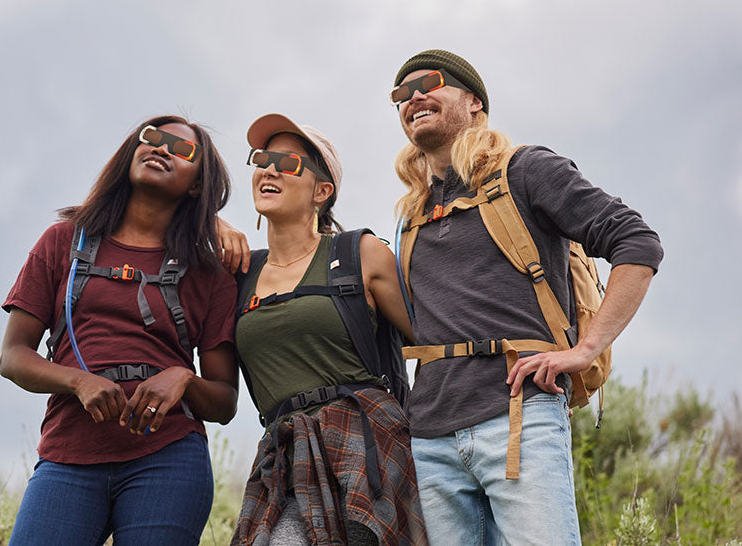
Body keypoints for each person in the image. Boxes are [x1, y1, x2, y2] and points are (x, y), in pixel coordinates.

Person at [390, 49, 663, 543]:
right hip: (430, 439)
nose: (413, 98)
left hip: (519, 416)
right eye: (401, 95)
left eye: (428, 83)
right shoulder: (409, 216)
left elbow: (636, 243)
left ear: (473, 101)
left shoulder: (526, 170)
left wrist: (585, 350)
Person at [0, 115, 239, 545]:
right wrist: (79, 382)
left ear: (197, 185)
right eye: (153, 138)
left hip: (169, 457)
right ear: (132, 149)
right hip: (69, 452)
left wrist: (182, 378)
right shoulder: (62, 243)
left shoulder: (209, 273)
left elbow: (224, 401)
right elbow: (13, 357)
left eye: (182, 150)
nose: (162, 149)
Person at [230, 114, 427, 546]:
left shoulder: (361, 253)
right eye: (262, 159)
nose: (269, 169)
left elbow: (431, 341)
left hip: (366, 442)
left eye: (289, 162)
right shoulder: (239, 273)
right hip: (284, 450)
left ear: (322, 191)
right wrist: (213, 224)